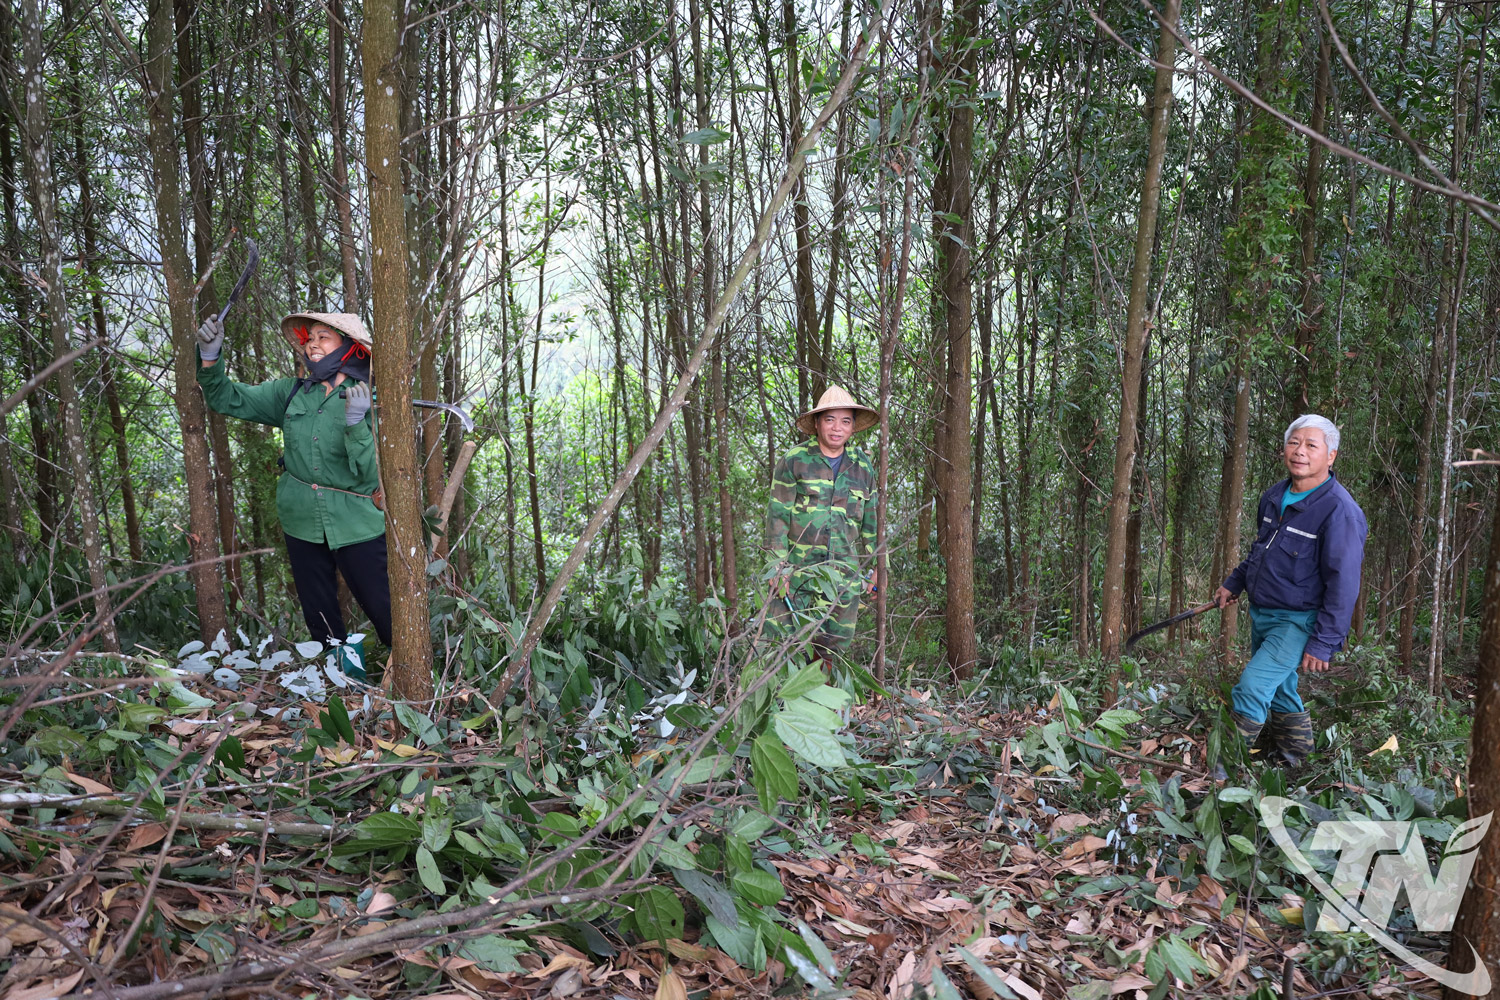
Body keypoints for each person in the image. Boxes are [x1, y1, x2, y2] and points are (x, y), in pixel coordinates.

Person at [194, 311, 390, 681]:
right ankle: (345, 686)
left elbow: (367, 474)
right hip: (301, 518)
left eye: (324, 338)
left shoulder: (375, 401)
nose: (312, 344)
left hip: (357, 522)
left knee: (386, 609)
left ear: (350, 349)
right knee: (320, 616)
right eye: (309, 338)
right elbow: (227, 399)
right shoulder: (292, 392)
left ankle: (413, 687)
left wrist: (356, 424)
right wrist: (210, 356)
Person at [1214, 414, 1367, 767]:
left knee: (1252, 687)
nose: (1300, 451)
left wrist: (1324, 642)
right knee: (1281, 689)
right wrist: (1233, 583)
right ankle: (1295, 758)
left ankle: (1224, 774)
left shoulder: (1339, 512)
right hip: (1263, 614)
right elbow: (1261, 550)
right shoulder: (1274, 496)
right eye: (1294, 443)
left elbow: (1344, 584)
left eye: (1311, 445)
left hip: (1297, 621)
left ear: (1331, 456)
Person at [765, 386, 880, 672]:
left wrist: (880, 567)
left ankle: (826, 709)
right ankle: (787, 712)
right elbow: (777, 517)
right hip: (798, 574)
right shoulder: (795, 461)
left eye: (845, 421)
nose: (837, 428)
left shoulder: (863, 467)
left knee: (833, 650)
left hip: (843, 575)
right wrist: (777, 568)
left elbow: (871, 523)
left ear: (853, 427)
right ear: (817, 423)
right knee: (787, 647)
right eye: (829, 420)